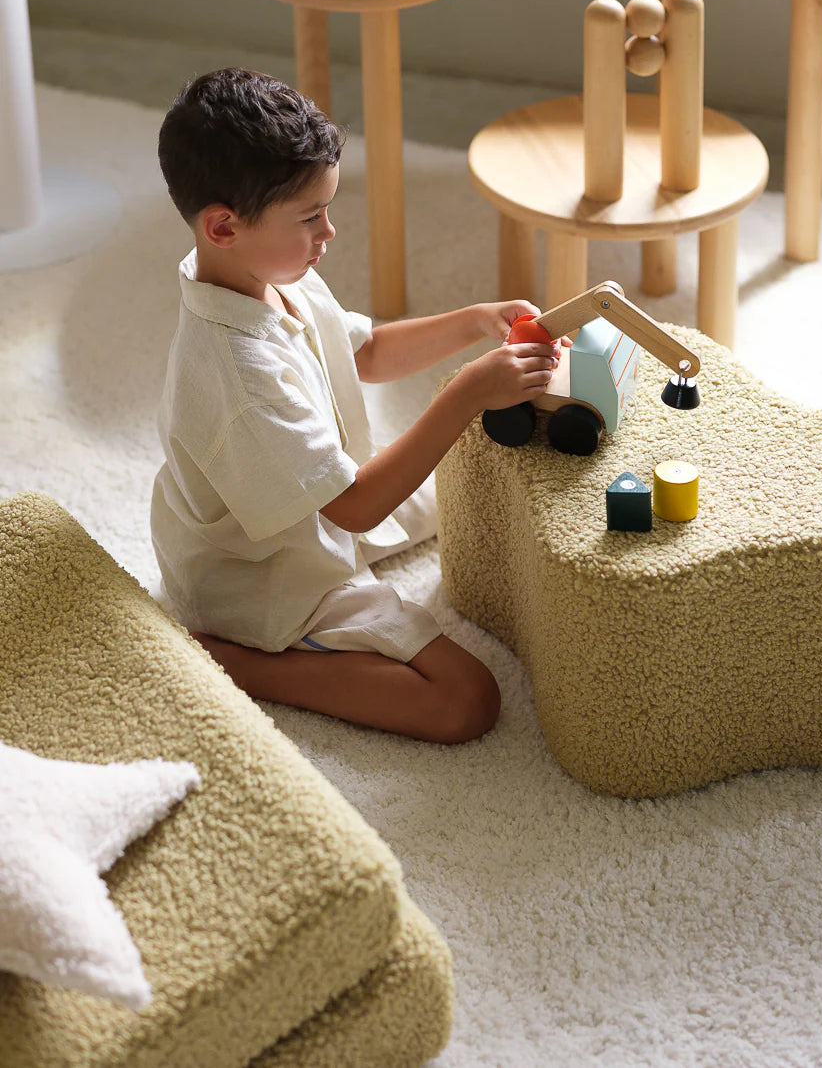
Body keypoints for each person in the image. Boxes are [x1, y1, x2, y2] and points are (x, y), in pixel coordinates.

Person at [151, 67, 559, 744]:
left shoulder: (272, 273)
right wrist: (464, 393)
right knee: (466, 700)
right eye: (311, 217)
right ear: (223, 226)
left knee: (466, 490)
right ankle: (238, 662)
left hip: (318, 508)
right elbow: (354, 506)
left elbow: (364, 352)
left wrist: (474, 319)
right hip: (261, 575)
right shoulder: (239, 373)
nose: (330, 233)